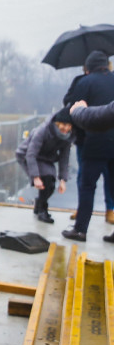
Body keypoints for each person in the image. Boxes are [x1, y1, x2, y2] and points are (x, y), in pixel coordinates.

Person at [63, 51, 114, 242]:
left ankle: (80, 230)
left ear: (88, 67)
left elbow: (71, 107)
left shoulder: (85, 82)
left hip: (94, 142)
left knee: (87, 185)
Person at [15, 107, 73, 223]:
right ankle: (42, 210)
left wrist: (62, 180)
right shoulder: (43, 131)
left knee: (51, 185)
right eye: (63, 124)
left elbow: (64, 158)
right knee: (46, 179)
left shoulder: (67, 136)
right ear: (57, 123)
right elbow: (31, 154)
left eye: (69, 125)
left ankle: (39, 204)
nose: (66, 128)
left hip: (46, 157)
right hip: (27, 154)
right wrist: (35, 177)